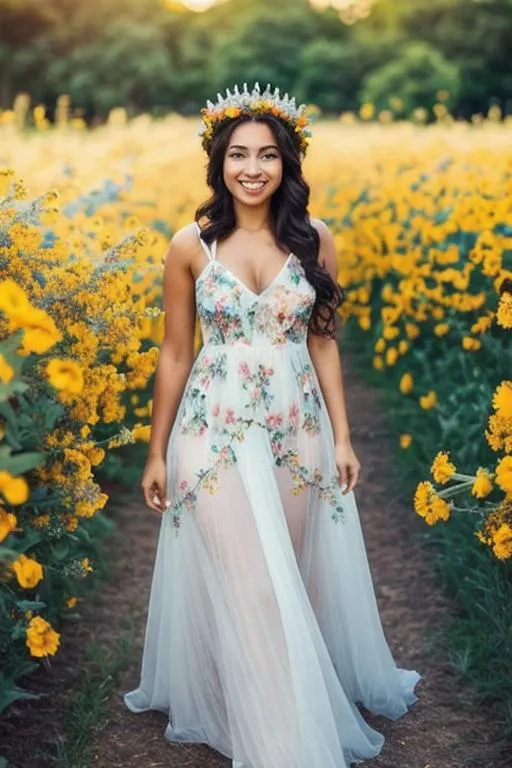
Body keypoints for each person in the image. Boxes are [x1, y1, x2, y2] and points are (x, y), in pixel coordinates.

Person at [124, 82, 420, 768]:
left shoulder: (316, 240)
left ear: (287, 164)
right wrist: (156, 449)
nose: (252, 169)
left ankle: (266, 695)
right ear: (218, 164)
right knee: (250, 580)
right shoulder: (189, 245)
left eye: (266, 156)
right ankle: (281, 742)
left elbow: (323, 341)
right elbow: (175, 351)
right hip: (213, 428)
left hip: (297, 428)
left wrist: (343, 435)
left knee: (284, 574)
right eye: (237, 155)